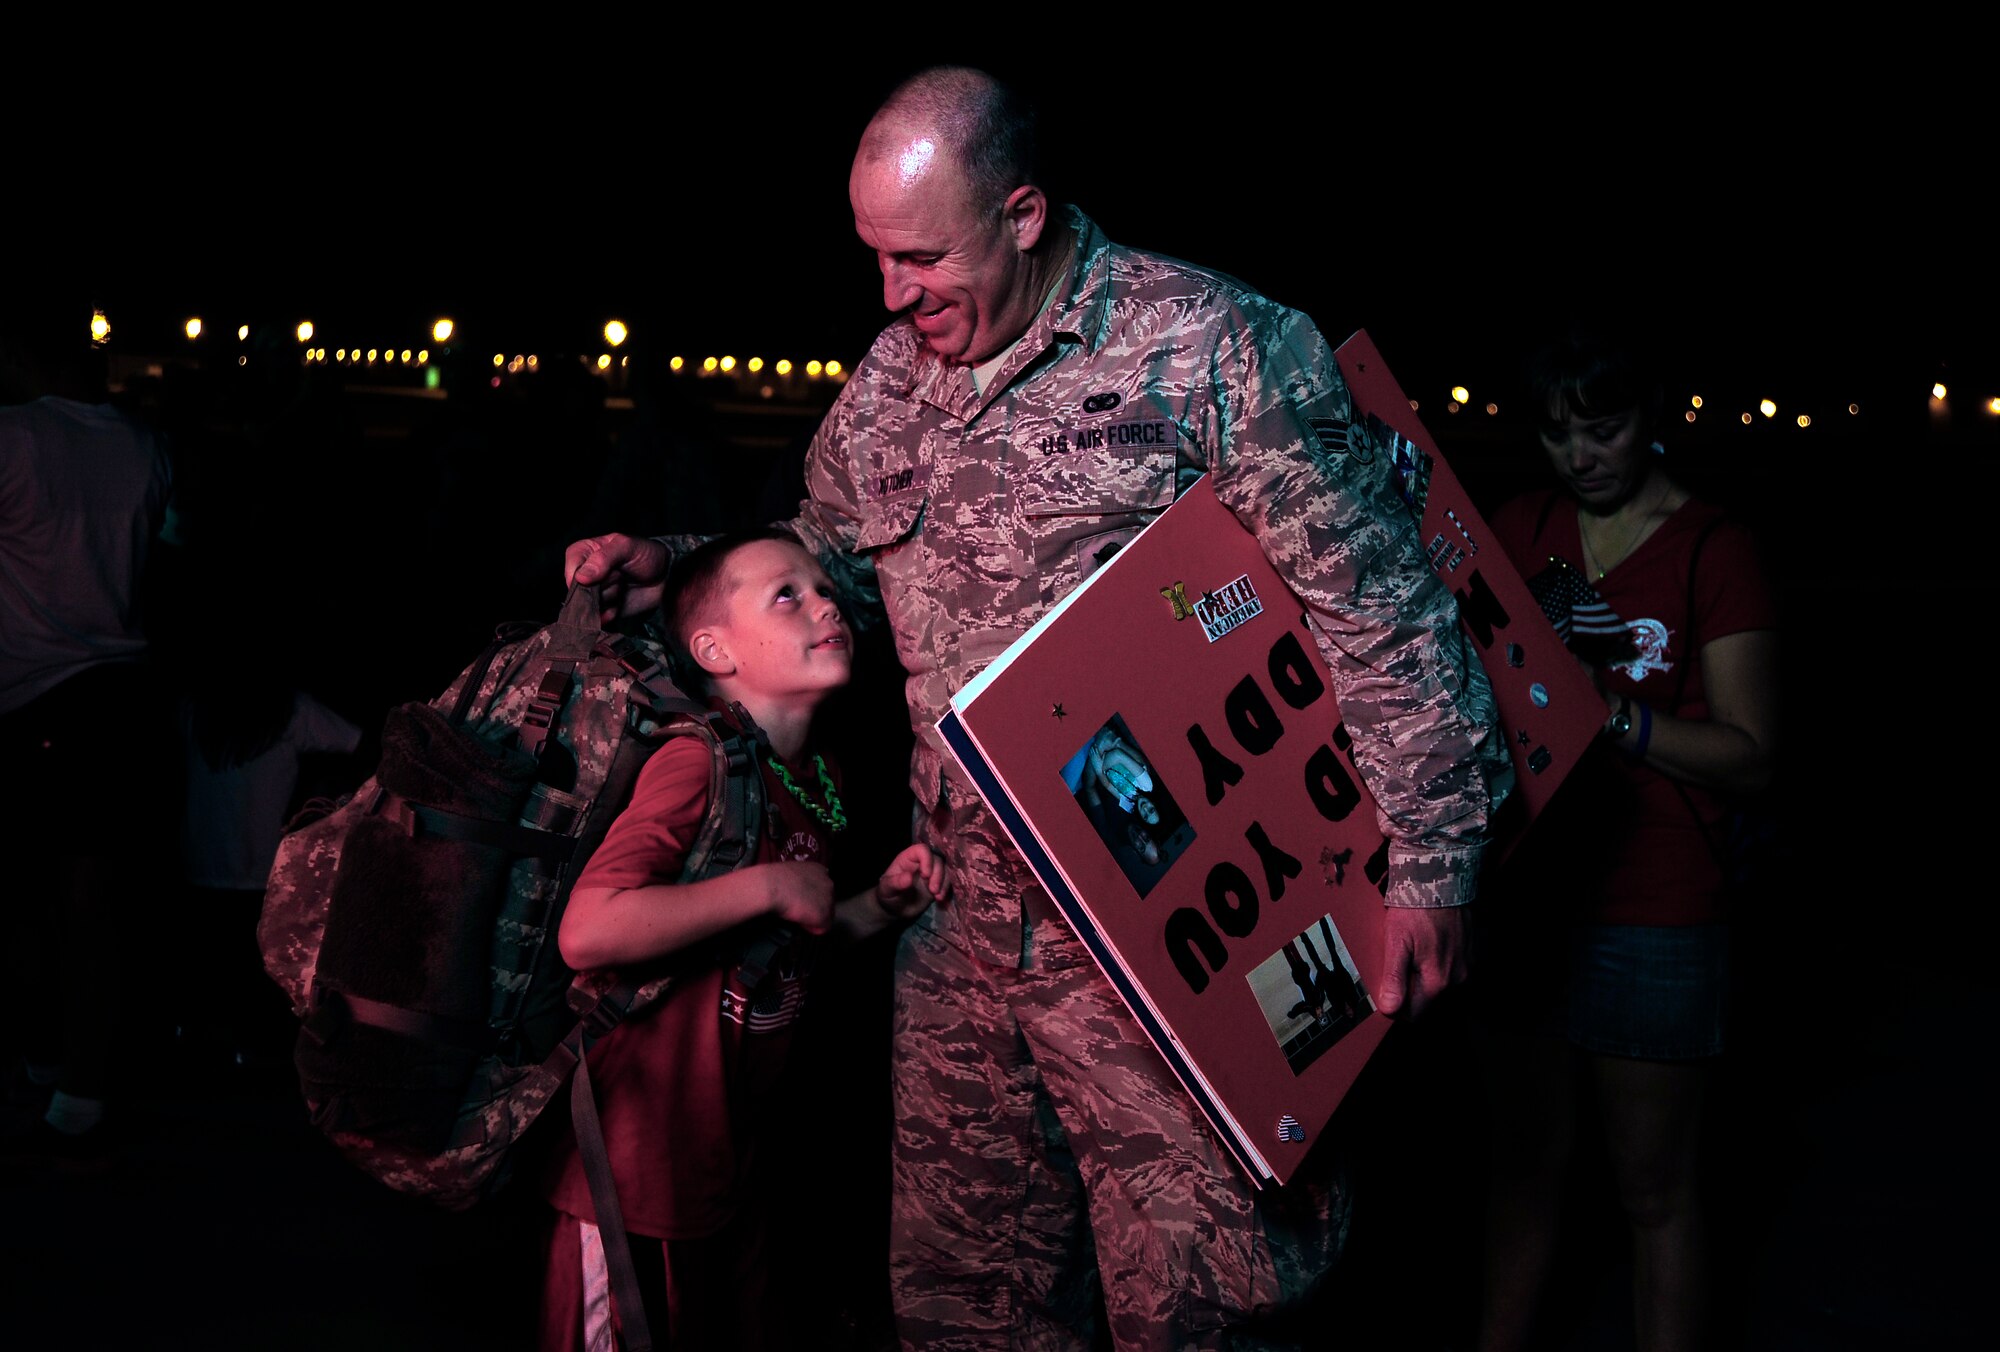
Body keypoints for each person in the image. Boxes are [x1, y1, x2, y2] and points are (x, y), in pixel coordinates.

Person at [565, 66, 1511, 1349]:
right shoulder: (890, 383)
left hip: (1168, 945)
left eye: (918, 258)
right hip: (962, 934)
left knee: (1206, 1307)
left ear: (1020, 214)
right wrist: (677, 574)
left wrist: (1436, 860)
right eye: (873, 258)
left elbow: (1378, 602)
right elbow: (827, 556)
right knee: (970, 1308)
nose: (890, 294)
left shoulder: (1206, 343)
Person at [531, 527, 949, 1351]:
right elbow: (589, 929)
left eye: (824, 589)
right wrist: (768, 885)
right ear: (715, 650)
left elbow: (784, 947)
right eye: (786, 596)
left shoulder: (814, 776)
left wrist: (877, 907)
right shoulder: (699, 764)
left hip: (729, 1167)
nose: (826, 605)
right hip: (631, 1179)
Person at [1472, 321, 1779, 1352]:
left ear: (1649, 417)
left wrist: (1611, 714)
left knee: (1654, 1192)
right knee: (1522, 1171)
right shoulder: (1520, 524)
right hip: (1530, 896)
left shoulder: (1712, 548)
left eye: (1600, 428)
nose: (1579, 454)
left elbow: (1752, 754)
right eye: (1556, 432)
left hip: (1656, 907)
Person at [0, 298, 175, 1170]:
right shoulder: (144, 447)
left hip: (38, 694)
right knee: (93, 898)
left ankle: (65, 1081)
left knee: (37, 895)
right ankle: (79, 1080)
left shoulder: (17, 438)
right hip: (121, 691)